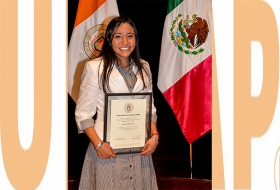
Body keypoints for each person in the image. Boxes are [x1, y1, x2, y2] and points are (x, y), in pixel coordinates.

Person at [75, 15, 159, 190]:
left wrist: (154, 136)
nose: (124, 41)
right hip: (107, 152)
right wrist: (99, 145)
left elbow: (149, 109)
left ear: (136, 38)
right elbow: (83, 115)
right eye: (118, 36)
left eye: (130, 35)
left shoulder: (144, 67)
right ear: (109, 39)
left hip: (140, 149)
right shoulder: (94, 67)